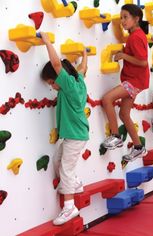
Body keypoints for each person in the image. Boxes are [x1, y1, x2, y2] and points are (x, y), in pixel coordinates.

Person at [40, 32, 89, 225]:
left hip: (75, 136)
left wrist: (47, 42)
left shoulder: (68, 85)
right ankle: (75, 183)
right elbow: (83, 69)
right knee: (57, 160)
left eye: (52, 82)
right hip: (74, 135)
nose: (52, 87)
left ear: (60, 78)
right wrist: (84, 53)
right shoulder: (79, 81)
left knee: (66, 169)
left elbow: (56, 65)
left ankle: (69, 208)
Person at [101, 4, 149, 161]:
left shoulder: (136, 36)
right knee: (123, 113)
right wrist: (124, 51)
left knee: (107, 99)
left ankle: (116, 136)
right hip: (136, 81)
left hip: (134, 81)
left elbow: (142, 62)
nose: (122, 21)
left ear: (136, 19)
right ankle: (138, 147)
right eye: (121, 17)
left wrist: (123, 56)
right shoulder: (135, 35)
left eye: (125, 17)